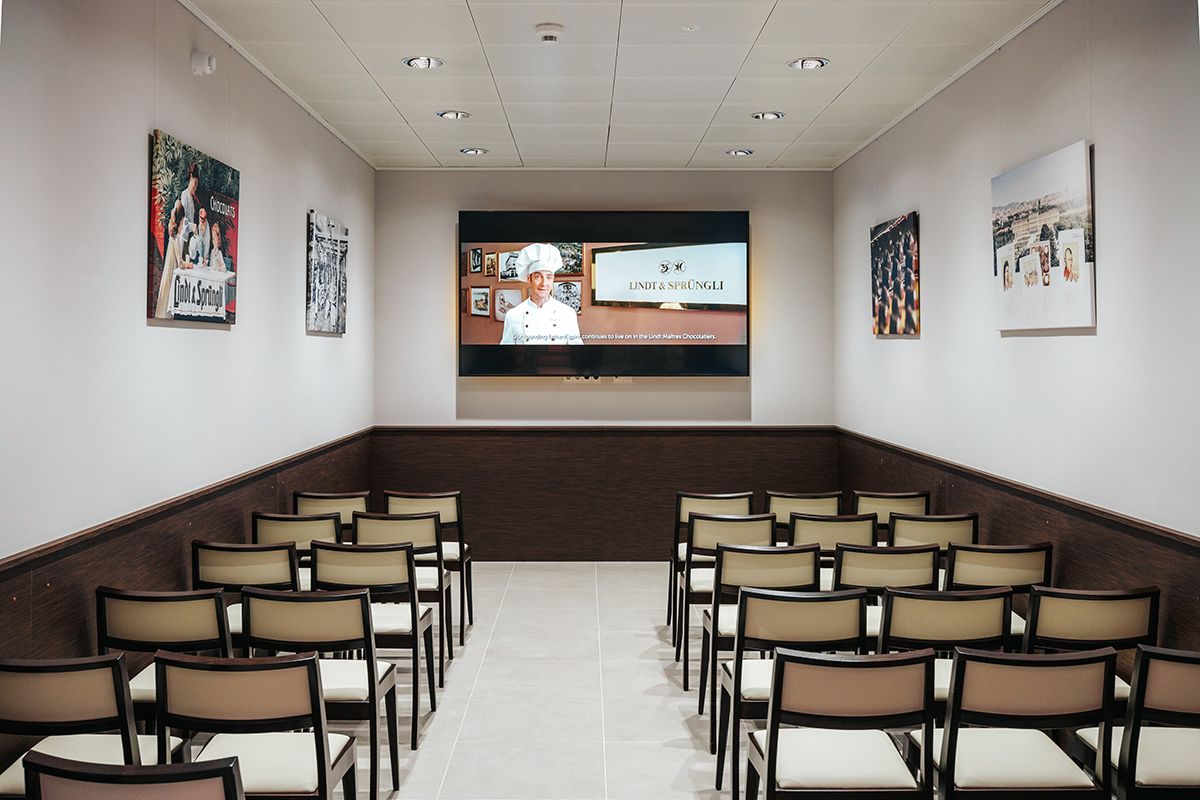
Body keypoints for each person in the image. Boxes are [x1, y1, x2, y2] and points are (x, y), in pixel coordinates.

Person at [499, 243, 583, 345]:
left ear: (553, 279)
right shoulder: (513, 315)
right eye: (538, 277)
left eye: (548, 277)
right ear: (529, 279)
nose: (544, 283)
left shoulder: (568, 313)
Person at [154, 203, 187, 318]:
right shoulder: (175, 238)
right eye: (183, 222)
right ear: (180, 222)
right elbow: (180, 263)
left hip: (168, 269)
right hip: (172, 270)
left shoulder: (172, 236)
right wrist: (189, 265)